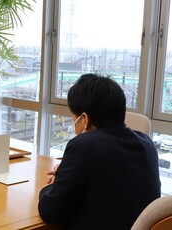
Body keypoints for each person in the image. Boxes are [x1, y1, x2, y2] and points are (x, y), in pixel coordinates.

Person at [38, 74, 161, 229]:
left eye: (73, 116)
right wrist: (68, 171)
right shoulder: (146, 142)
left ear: (84, 118)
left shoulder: (84, 145)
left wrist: (52, 186)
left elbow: (50, 211)